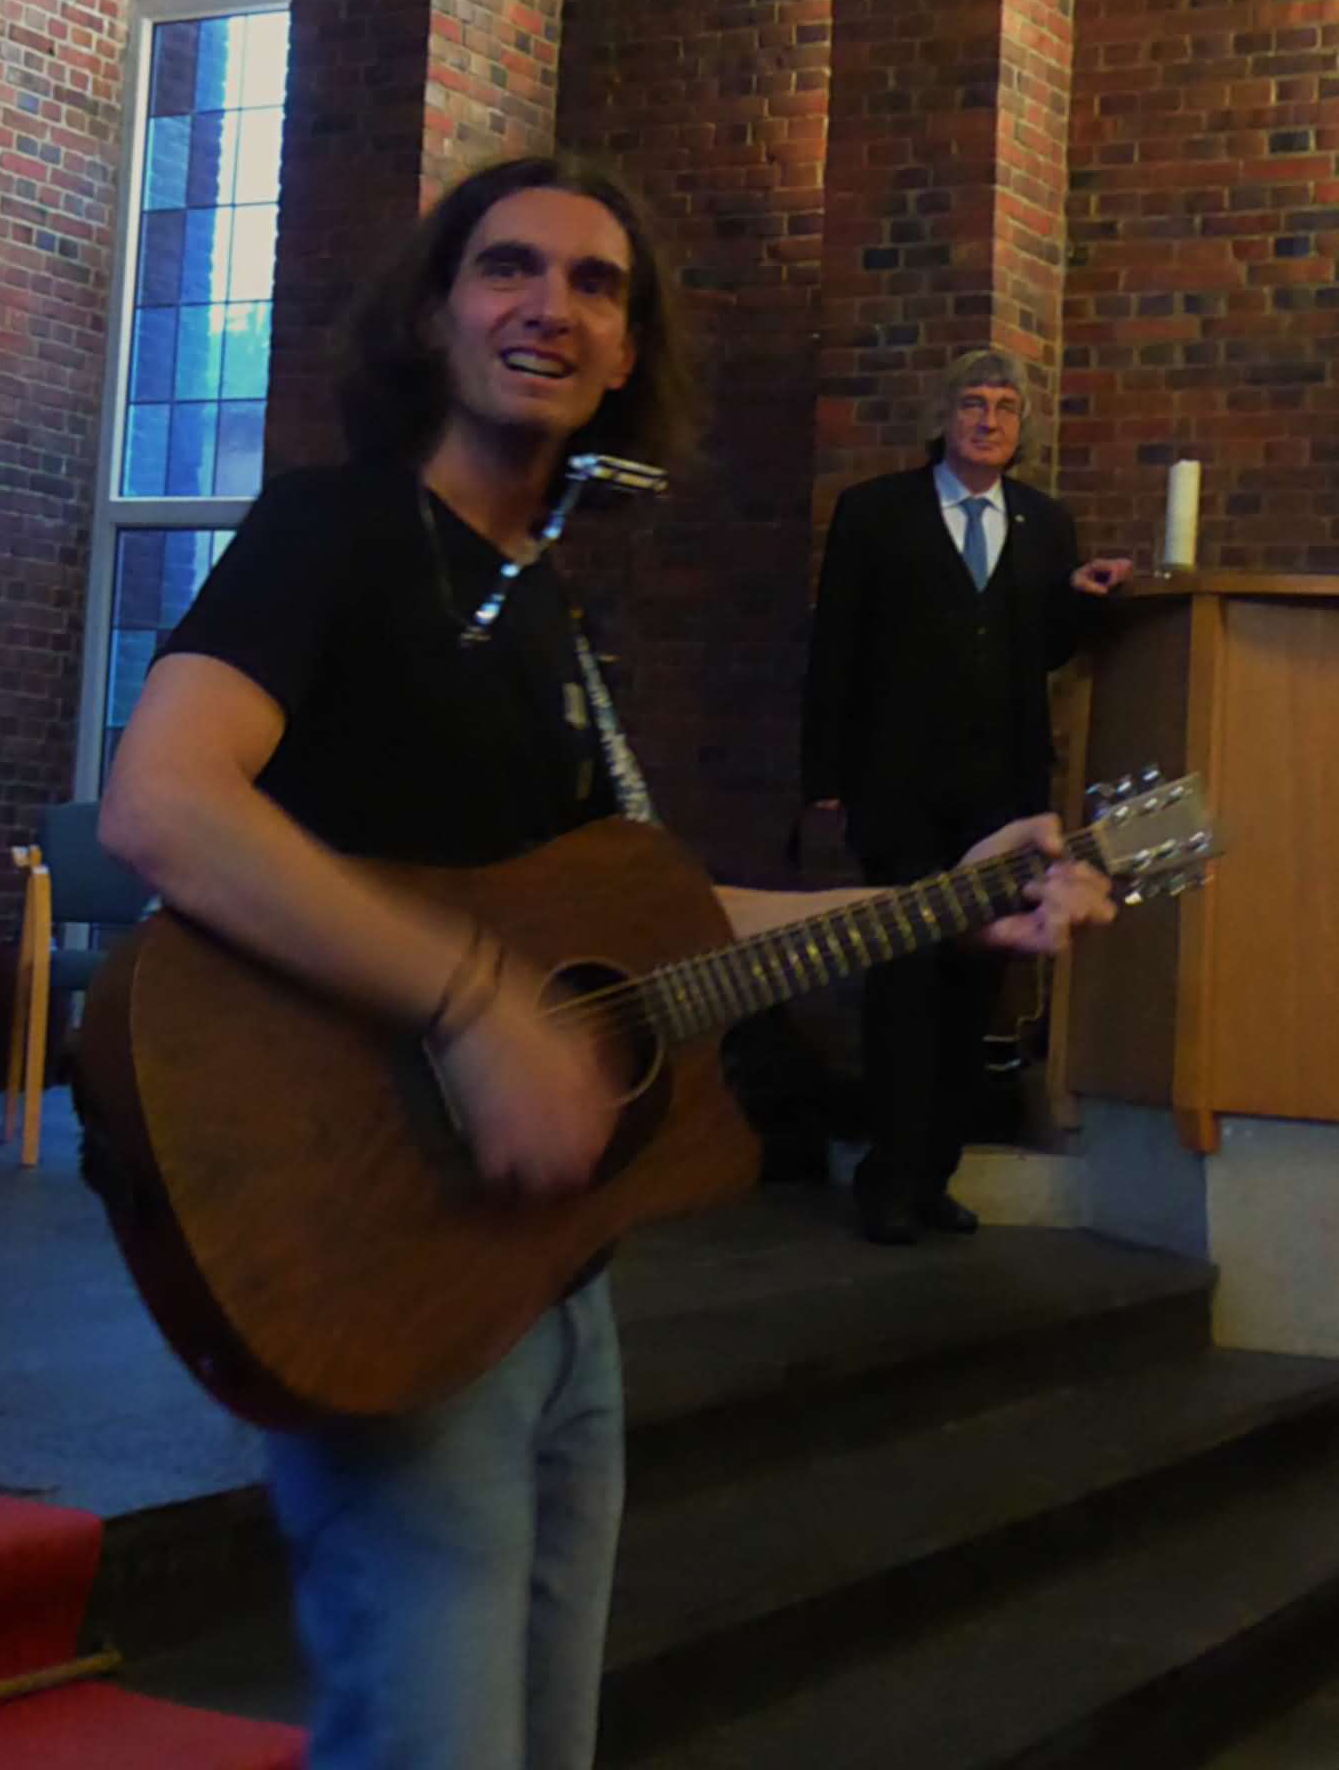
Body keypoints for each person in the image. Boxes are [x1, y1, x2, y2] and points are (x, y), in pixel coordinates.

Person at [99, 164, 1115, 1770]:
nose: (549, 307)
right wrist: (469, 1003)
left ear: (629, 350)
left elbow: (660, 928)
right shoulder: (338, 529)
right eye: (507, 268)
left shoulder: (549, 612)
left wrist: (940, 899)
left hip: (557, 1284)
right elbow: (160, 801)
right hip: (382, 1239)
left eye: (594, 285)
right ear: (433, 314)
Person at [800, 347, 1132, 1248]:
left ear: (1022, 427)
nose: (989, 420)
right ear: (944, 417)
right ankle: (887, 1182)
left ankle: (935, 1176)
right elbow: (836, 647)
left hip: (1003, 796)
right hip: (898, 787)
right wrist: (824, 778)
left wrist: (1083, 601)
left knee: (973, 988)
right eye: (974, 403)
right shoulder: (875, 512)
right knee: (905, 981)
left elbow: (1044, 651)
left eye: (1005, 407)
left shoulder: (1045, 523)